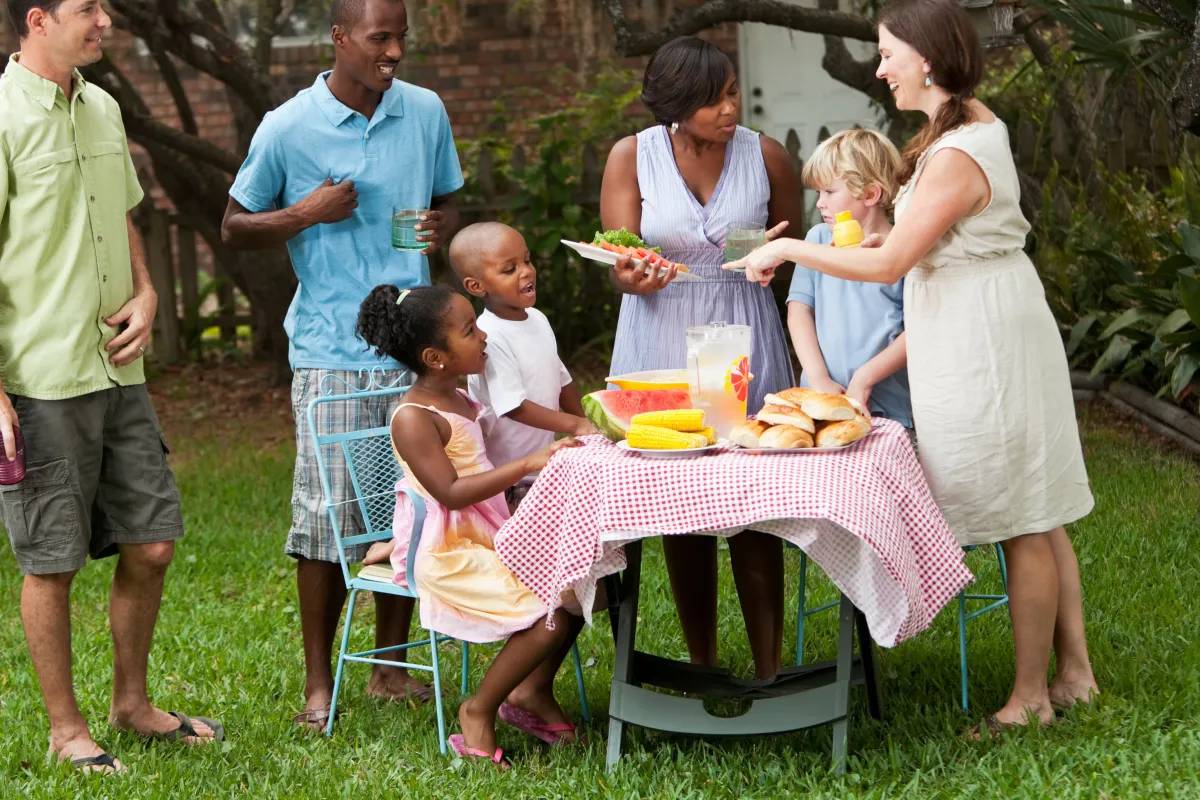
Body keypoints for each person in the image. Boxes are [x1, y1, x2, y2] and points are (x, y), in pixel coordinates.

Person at [726, 0, 1098, 735]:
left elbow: (896, 258)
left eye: (888, 52)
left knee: (1023, 516)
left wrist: (792, 250)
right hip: (978, 318)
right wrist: (815, 248)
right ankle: (1075, 674)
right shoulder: (955, 129)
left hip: (983, 335)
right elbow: (898, 244)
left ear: (926, 57)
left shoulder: (959, 152)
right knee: (1038, 506)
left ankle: (1031, 699)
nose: (880, 66)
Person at [219, 0, 463, 729]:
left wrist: (437, 225)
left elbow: (446, 200)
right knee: (325, 524)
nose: (393, 51)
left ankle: (389, 668)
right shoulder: (289, 126)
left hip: (413, 350)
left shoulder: (423, 111)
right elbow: (234, 224)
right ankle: (318, 684)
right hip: (331, 351)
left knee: (411, 510)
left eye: (400, 38)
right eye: (378, 37)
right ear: (339, 37)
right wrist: (305, 213)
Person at [0, 0, 222, 774]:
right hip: (41, 375)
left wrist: (150, 292)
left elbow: (123, 213)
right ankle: (68, 732)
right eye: (88, 8)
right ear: (38, 19)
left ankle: (131, 706)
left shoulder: (101, 105)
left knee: (153, 542)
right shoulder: (0, 116)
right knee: (51, 559)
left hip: (115, 365)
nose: (105, 22)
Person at [599, 36, 805, 680]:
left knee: (753, 508)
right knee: (680, 506)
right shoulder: (631, 155)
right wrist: (634, 275)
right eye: (714, 97)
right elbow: (617, 258)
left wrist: (773, 261)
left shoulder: (766, 155)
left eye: (733, 91)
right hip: (660, 338)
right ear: (676, 103)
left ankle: (769, 671)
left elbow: (797, 253)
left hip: (744, 333)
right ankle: (704, 664)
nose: (729, 106)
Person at [356, 284, 586, 765]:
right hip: (449, 552)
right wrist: (527, 464)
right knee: (550, 617)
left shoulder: (459, 396)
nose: (483, 335)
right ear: (435, 357)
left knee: (581, 584)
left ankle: (530, 694)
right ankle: (478, 709)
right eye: (469, 330)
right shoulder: (414, 417)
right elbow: (448, 493)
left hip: (489, 534)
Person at [452, 221, 597, 509]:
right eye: (510, 269)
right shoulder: (488, 335)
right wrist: (575, 423)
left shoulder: (537, 318)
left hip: (544, 465)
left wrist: (590, 426)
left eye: (527, 260)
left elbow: (561, 378)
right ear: (476, 286)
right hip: (509, 475)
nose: (526, 271)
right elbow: (513, 406)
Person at [786, 129, 913, 430]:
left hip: (889, 409)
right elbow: (799, 311)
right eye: (818, 193)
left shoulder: (902, 248)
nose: (819, 203)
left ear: (870, 194)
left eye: (829, 192)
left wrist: (865, 378)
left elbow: (917, 329)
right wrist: (818, 377)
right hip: (821, 401)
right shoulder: (816, 239)